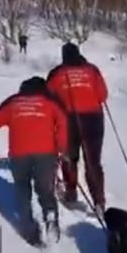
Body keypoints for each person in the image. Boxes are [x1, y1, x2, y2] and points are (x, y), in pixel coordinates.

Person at [0, 76, 68, 246]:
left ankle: (30, 232)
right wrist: (63, 148)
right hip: (46, 154)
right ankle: (51, 219)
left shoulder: (13, 103)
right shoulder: (50, 103)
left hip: (19, 156)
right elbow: (63, 124)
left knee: (22, 191)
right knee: (45, 191)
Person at [46, 42, 109, 216]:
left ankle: (71, 192)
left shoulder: (56, 73)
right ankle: (99, 202)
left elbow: (49, 99)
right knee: (93, 161)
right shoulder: (92, 70)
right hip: (94, 120)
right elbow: (103, 96)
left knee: (69, 158)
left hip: (69, 119)